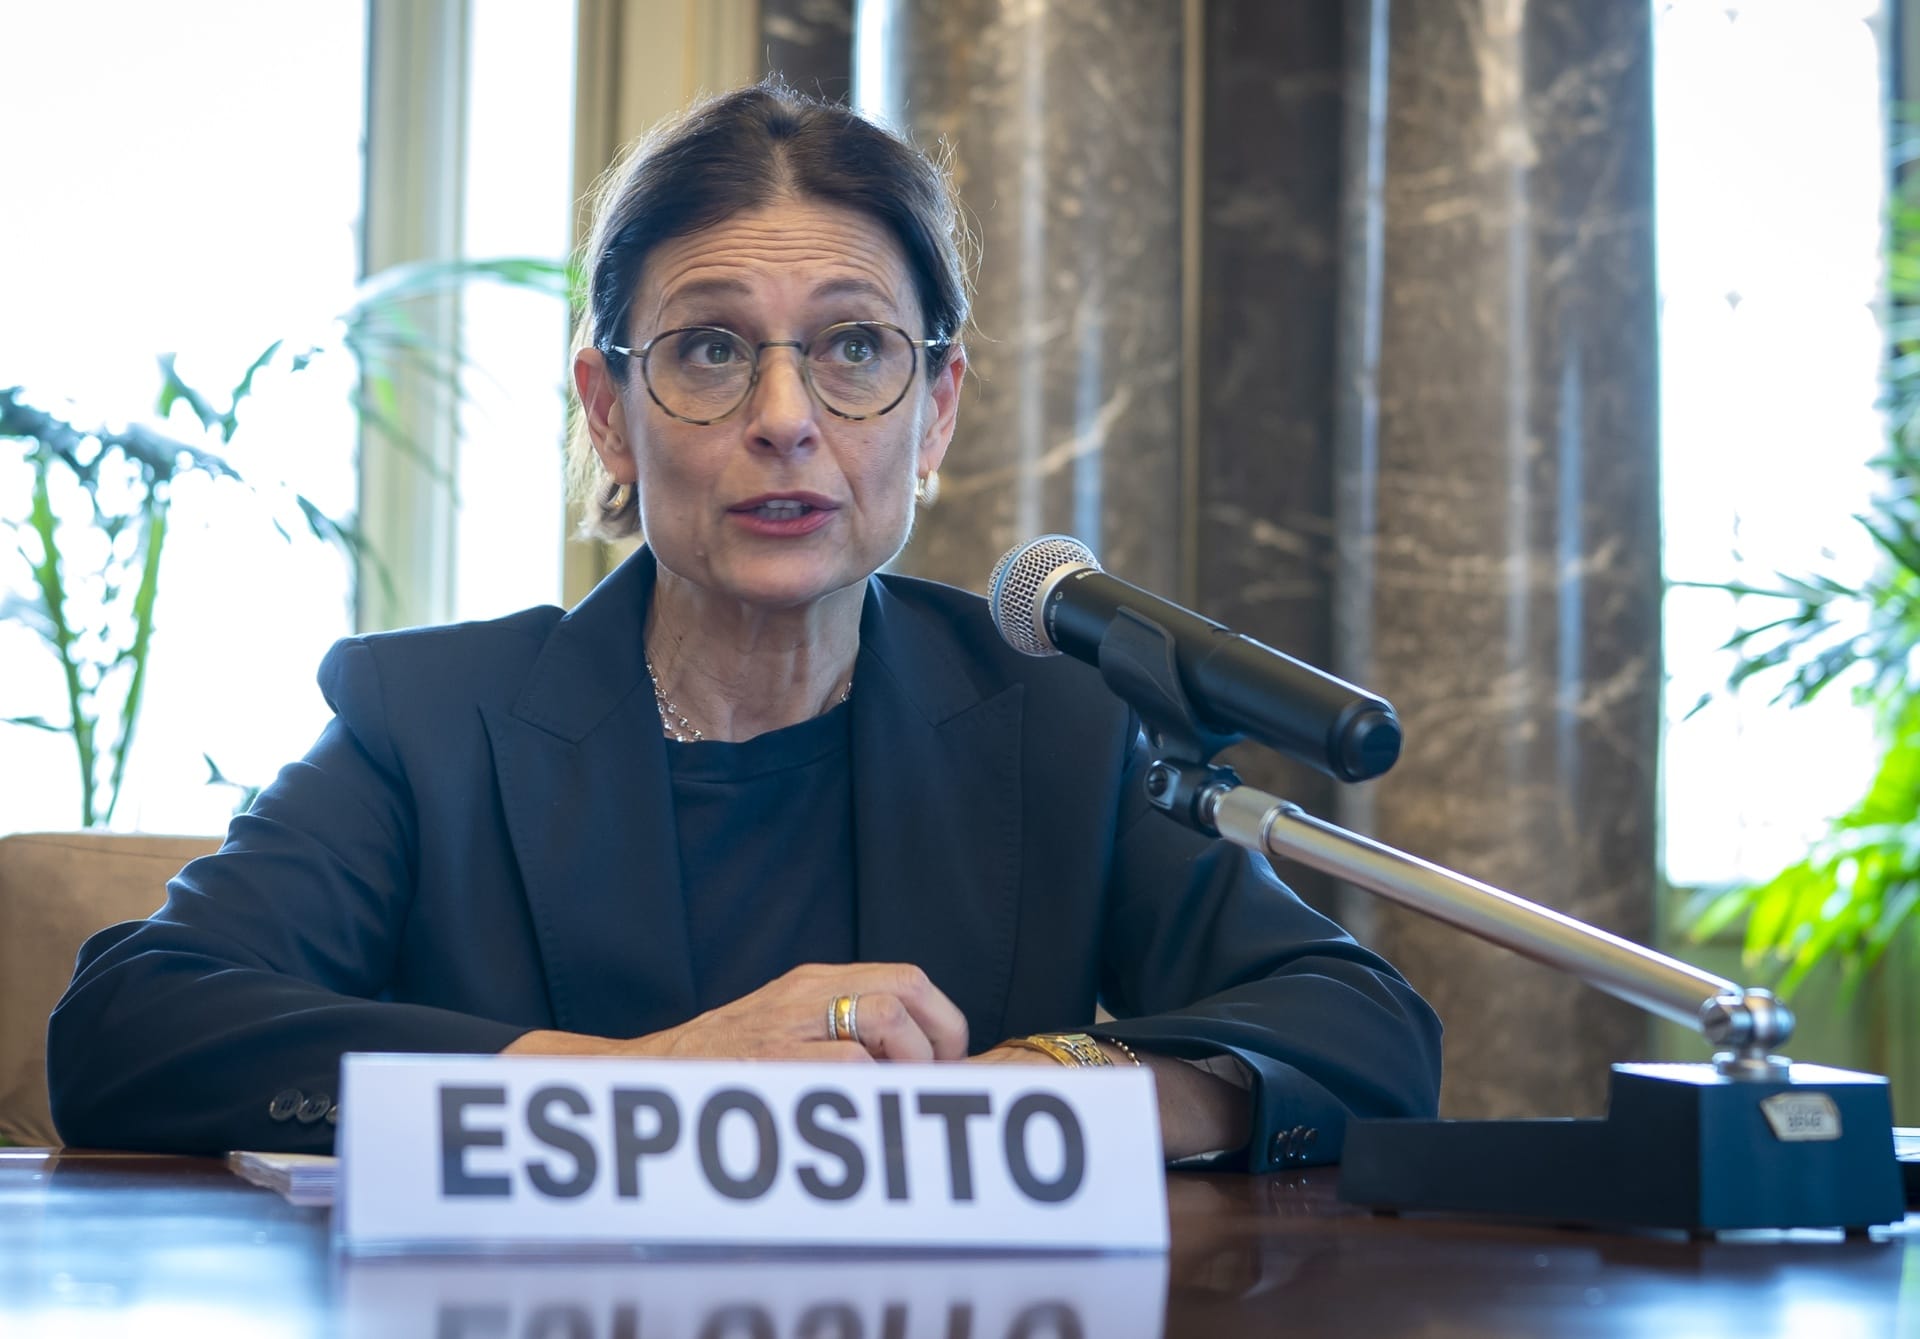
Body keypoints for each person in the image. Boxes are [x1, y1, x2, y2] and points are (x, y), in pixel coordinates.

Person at [47, 82, 1441, 1166]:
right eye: (712, 349)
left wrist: (1059, 1091)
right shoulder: (432, 724)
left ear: (935, 412)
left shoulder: (1059, 720)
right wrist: (646, 1084)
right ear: (610, 413)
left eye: (855, 349)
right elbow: (133, 1026)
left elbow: (1362, 1028)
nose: (784, 418)